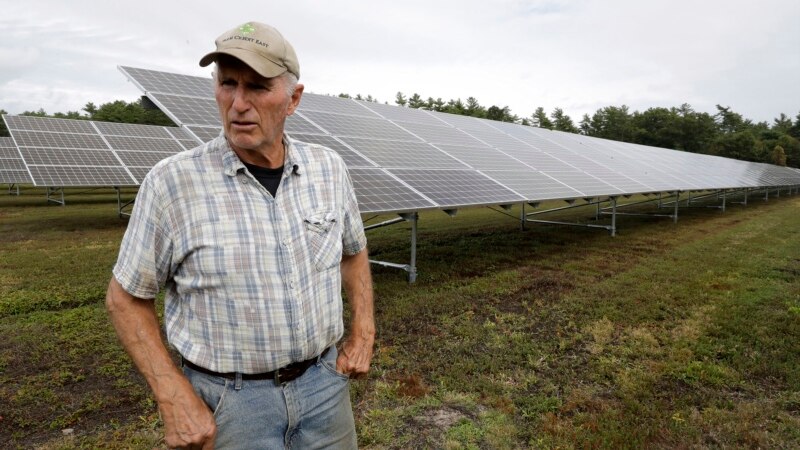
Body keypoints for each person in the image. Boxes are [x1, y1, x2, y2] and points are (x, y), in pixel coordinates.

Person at [106, 21, 375, 449]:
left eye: (257, 87)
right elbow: (125, 298)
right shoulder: (172, 184)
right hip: (228, 405)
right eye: (227, 84)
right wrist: (171, 393)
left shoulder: (328, 169)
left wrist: (363, 334)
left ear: (293, 99)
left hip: (324, 387)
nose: (238, 103)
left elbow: (353, 251)